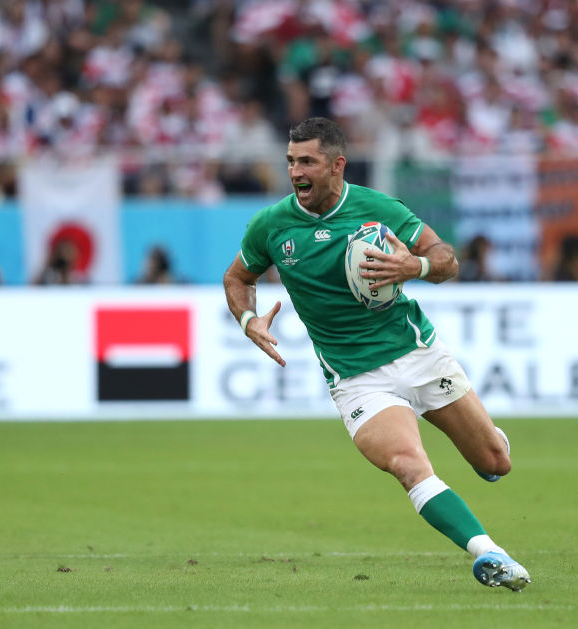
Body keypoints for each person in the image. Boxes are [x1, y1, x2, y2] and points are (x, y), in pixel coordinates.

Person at [222, 117, 530, 591]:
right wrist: (249, 321)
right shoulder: (271, 225)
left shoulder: (377, 208)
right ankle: (489, 553)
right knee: (408, 465)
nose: (295, 172)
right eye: (290, 161)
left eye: (307, 161)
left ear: (337, 165)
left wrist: (417, 264)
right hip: (355, 378)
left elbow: (446, 258)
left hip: (417, 353)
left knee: (494, 463)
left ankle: (491, 440)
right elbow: (237, 278)